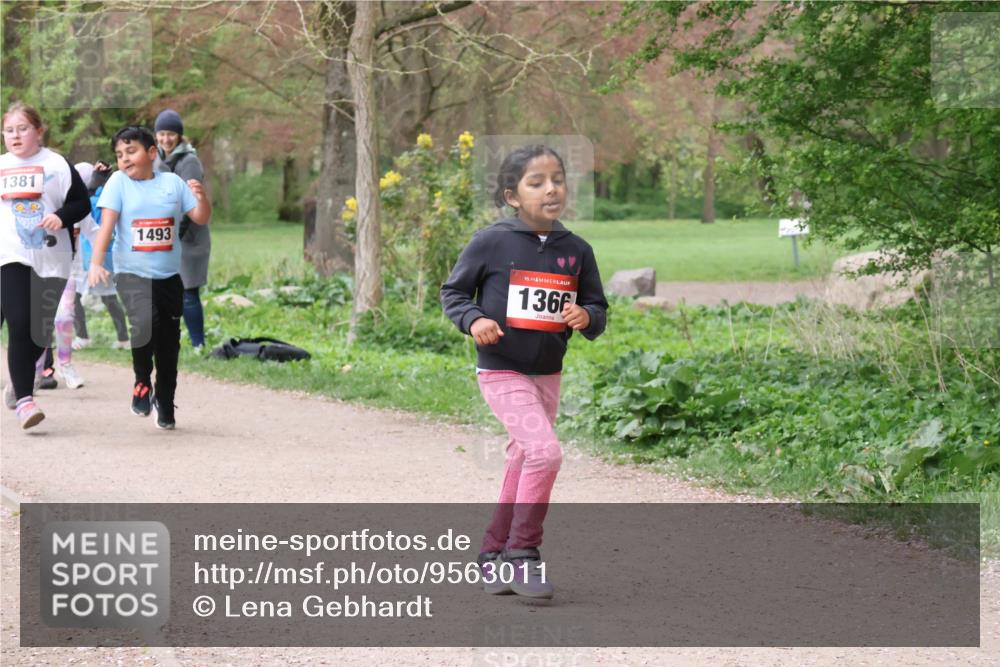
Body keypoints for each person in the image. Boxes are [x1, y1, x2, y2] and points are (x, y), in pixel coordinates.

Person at [440, 145, 608, 599]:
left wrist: (586, 317)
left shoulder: (576, 249)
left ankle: (492, 554)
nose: (551, 189)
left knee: (523, 457)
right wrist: (474, 320)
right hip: (501, 371)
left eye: (557, 179)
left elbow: (597, 306)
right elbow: (454, 294)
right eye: (537, 182)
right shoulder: (490, 242)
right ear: (512, 196)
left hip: (547, 372)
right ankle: (522, 556)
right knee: (545, 453)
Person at [88, 125, 211, 430]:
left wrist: (202, 198)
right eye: (119, 154)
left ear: (152, 153)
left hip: (169, 275)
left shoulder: (172, 183)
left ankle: (165, 400)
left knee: (169, 340)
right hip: (132, 273)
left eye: (131, 151)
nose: (124, 159)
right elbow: (106, 226)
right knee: (144, 323)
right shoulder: (118, 183)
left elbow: (200, 217)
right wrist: (95, 262)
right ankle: (142, 380)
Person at [0, 102, 90, 428]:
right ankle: (26, 400)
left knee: (39, 331)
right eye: (9, 130)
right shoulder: (1, 166)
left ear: (39, 131)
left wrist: (60, 216)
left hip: (52, 258)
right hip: (10, 256)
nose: (15, 136)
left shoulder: (58, 165)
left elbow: (82, 203)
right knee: (20, 322)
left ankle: (19, 381)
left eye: (23, 129)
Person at [153, 109, 210, 351]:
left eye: (171, 134)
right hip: (163, 234)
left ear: (179, 136)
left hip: (188, 237)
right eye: (162, 134)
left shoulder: (189, 162)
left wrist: (174, 237)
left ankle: (198, 344)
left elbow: (189, 203)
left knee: (188, 291)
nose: (166, 139)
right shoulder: (155, 159)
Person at [72, 160, 130, 351]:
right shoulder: (93, 195)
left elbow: (96, 227)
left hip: (99, 258)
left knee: (107, 298)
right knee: (81, 298)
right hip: (87, 258)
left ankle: (120, 338)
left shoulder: (97, 199)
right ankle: (86, 336)